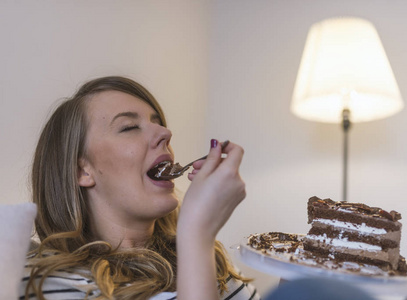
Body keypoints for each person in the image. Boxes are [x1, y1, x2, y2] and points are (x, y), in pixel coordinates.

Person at [19, 76, 259, 300]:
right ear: (82, 171)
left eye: (158, 123)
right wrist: (197, 233)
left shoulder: (213, 262)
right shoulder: (44, 280)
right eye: (129, 127)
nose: (166, 133)